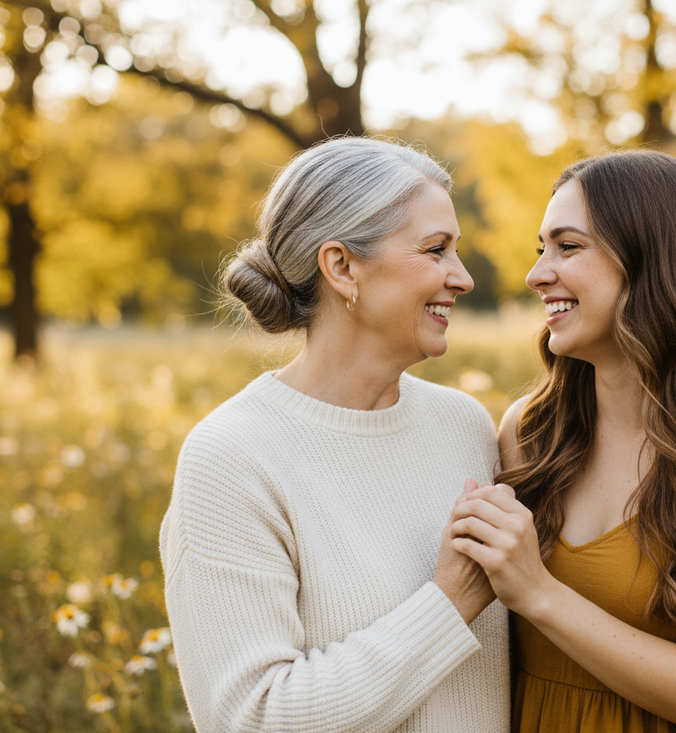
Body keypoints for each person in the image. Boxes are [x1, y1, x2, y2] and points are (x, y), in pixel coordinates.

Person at [448, 150, 676, 733]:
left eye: (568, 247)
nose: (538, 274)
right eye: (541, 249)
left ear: (653, 262)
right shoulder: (529, 432)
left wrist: (537, 592)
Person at [159, 137, 508, 733]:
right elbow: (254, 717)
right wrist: (450, 601)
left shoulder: (465, 426)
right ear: (342, 266)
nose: (463, 278)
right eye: (436, 250)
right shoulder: (232, 457)